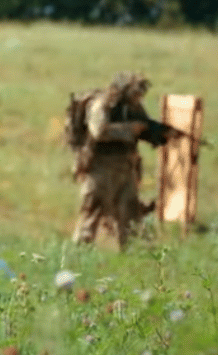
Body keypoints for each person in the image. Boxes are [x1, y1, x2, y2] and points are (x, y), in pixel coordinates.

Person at [69, 71, 177, 248]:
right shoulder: (102, 105)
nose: (138, 97)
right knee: (91, 216)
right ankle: (78, 255)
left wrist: (160, 133)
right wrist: (129, 129)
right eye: (135, 93)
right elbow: (99, 131)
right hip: (100, 169)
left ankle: (133, 256)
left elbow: (144, 126)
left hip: (125, 168)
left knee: (131, 214)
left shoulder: (133, 108)